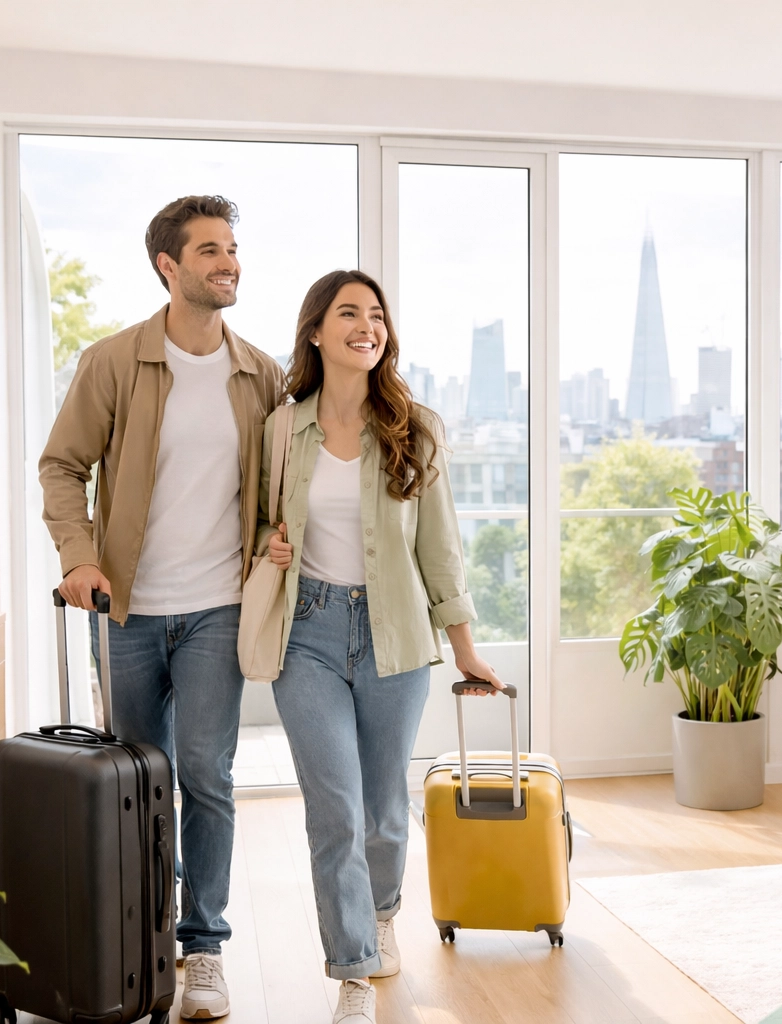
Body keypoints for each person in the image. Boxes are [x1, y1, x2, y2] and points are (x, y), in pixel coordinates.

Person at [40, 195, 284, 1020]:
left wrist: (277, 540)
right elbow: (62, 465)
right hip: (129, 613)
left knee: (208, 777)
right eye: (210, 250)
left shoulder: (260, 374)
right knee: (142, 781)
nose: (229, 262)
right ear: (168, 266)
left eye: (233, 248)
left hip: (219, 608)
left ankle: (203, 947)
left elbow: (283, 479)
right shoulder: (114, 361)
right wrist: (79, 558)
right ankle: (144, 939)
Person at [256, 269, 502, 1024]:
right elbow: (259, 519)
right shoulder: (281, 428)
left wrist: (464, 646)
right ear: (315, 332)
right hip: (308, 635)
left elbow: (440, 548)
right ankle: (353, 972)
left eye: (376, 316)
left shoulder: (413, 427)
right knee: (334, 808)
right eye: (349, 314)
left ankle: (383, 910)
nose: (367, 327)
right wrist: (268, 543)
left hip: (395, 633)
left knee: (385, 806)